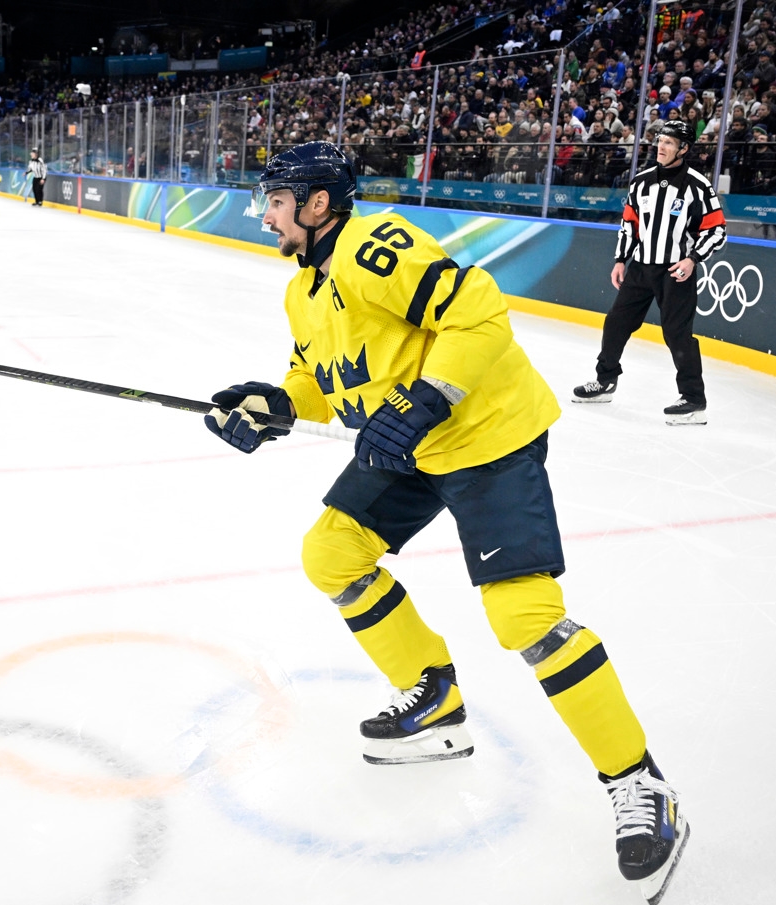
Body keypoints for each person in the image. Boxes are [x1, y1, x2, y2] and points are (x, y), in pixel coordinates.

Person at [205, 141, 688, 903]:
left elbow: (480, 314)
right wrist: (276, 403)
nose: (264, 214)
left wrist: (429, 397)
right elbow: (321, 378)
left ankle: (641, 783)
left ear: (320, 204)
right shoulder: (303, 292)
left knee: (523, 615)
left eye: (276, 200)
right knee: (332, 551)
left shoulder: (374, 249)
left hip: (484, 432)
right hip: (413, 444)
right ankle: (433, 692)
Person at [573, 119, 726, 424]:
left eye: (669, 143)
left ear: (684, 149)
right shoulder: (641, 181)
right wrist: (621, 260)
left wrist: (692, 259)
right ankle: (605, 381)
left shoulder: (698, 185)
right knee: (616, 323)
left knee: (678, 335)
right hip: (641, 267)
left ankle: (694, 400)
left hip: (675, 272)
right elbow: (630, 225)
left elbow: (717, 230)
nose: (661, 147)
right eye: (660, 141)